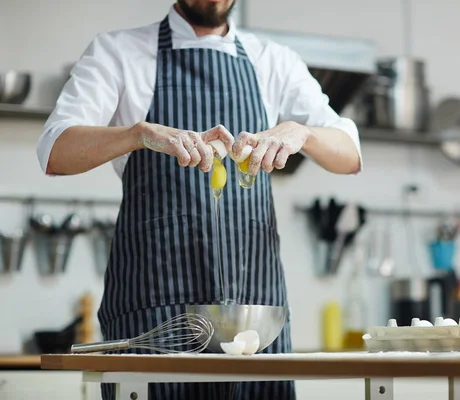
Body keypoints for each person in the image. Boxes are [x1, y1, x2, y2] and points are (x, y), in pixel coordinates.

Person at [36, 0, 362, 399]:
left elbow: (348, 154)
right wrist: (137, 134)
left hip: (255, 320)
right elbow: (55, 151)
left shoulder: (274, 61)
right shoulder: (117, 51)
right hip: (154, 317)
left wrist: (303, 133)